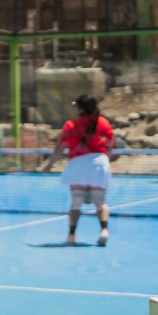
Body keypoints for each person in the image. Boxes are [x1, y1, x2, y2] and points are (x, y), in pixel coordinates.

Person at [40, 95, 115, 246]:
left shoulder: (70, 125)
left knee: (76, 201)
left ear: (80, 108)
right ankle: (104, 230)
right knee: (100, 201)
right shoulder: (104, 123)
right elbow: (110, 145)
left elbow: (59, 148)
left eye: (76, 106)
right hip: (99, 164)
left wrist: (49, 165)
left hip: (78, 165)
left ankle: (71, 235)